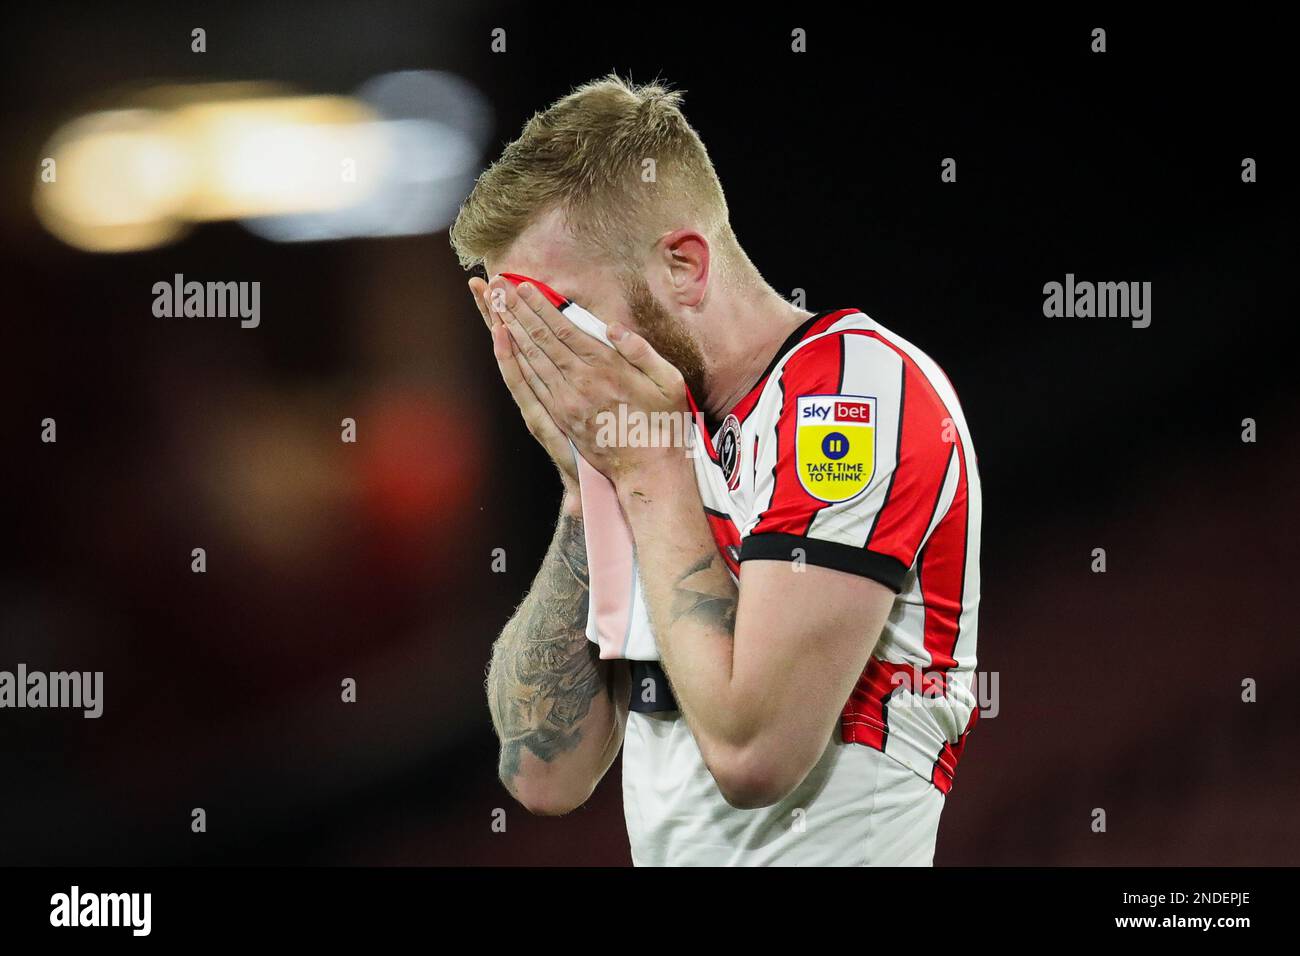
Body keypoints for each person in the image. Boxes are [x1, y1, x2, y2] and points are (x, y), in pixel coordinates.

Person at [450, 75, 982, 866]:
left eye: (559, 317)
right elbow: (542, 774)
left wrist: (644, 471)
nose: (547, 359)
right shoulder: (653, 441)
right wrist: (580, 486)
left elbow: (753, 753)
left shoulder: (853, 393)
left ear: (684, 267)